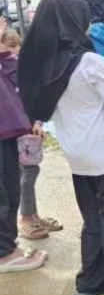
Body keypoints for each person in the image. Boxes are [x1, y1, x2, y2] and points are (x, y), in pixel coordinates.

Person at [17, 0, 104, 295]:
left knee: (93, 219)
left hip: (77, 155)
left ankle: (90, 282)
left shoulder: (42, 65)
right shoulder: (89, 61)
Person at [0, 29, 62, 241]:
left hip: (27, 129)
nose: (15, 52)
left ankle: (32, 214)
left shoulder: (15, 67)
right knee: (24, 175)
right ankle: (26, 218)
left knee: (31, 170)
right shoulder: (6, 69)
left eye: (18, 47)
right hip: (13, 132)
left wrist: (37, 121)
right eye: (10, 47)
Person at [0, 23, 45, 272]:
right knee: (3, 194)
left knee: (10, 187)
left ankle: (9, 248)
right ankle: (4, 253)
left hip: (7, 131)